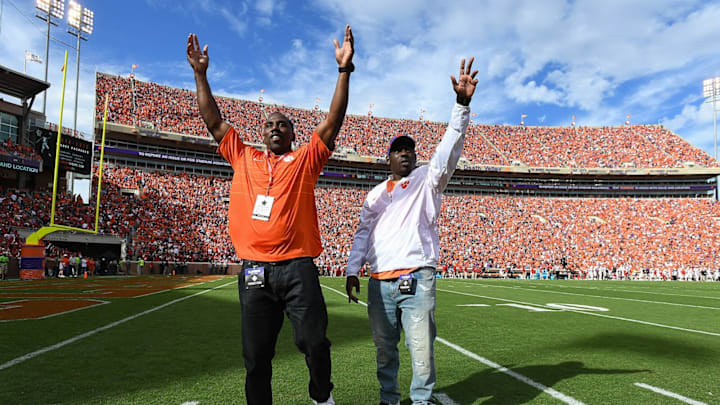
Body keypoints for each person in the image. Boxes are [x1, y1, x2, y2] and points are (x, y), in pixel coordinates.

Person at [187, 24, 354, 405]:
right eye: (269, 124)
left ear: (293, 134)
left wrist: (343, 72)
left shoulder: (305, 159)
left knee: (315, 342)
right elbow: (213, 121)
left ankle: (321, 396)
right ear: (262, 133)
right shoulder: (243, 155)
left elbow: (332, 122)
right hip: (255, 270)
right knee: (256, 357)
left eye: (283, 124)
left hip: (297, 267)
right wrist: (200, 74)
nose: (275, 128)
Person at [346, 57, 477, 405]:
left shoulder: (426, 181)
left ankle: (421, 401)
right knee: (384, 351)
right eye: (398, 151)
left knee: (421, 351)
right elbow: (362, 233)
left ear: (416, 158)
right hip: (378, 281)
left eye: (409, 151)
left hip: (416, 277)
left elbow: (448, 149)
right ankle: (388, 399)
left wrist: (461, 105)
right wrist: (350, 269)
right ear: (388, 158)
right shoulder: (374, 194)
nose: (404, 154)